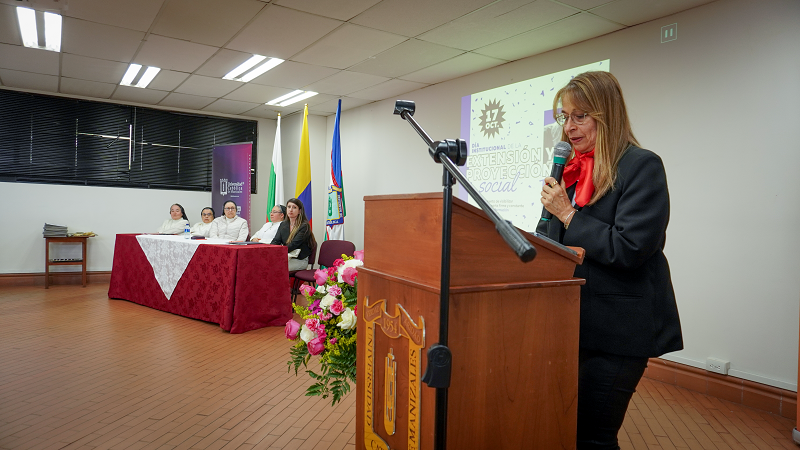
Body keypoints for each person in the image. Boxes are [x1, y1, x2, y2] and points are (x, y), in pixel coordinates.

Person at [536, 71, 683, 450]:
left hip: (620, 329)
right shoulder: (570, 172)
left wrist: (568, 216)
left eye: (579, 116)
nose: (569, 127)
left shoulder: (642, 166)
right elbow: (555, 245)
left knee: (591, 436)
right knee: (565, 427)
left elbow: (631, 248)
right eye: (564, 117)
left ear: (607, 114)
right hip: (573, 323)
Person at [270, 198, 315, 271]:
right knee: (266, 263)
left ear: (299, 211)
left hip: (300, 260)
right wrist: (270, 250)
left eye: (294, 207)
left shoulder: (304, 226)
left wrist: (279, 253)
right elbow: (276, 241)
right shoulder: (283, 224)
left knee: (276, 267)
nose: (291, 210)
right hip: (286, 256)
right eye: (289, 207)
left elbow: (293, 245)